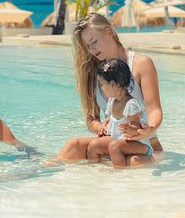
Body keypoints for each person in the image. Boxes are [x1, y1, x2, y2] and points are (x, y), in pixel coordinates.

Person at [57, 12, 164, 164]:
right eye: (87, 46)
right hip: (112, 141)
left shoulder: (141, 64)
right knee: (73, 145)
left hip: (141, 144)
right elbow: (91, 119)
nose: (91, 50)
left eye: (94, 41)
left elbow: (153, 108)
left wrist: (150, 129)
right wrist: (100, 126)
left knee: (133, 161)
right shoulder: (94, 72)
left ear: (109, 33)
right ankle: (37, 173)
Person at [85, 59, 153, 167]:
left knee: (114, 147)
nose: (101, 88)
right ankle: (94, 169)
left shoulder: (131, 104)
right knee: (94, 145)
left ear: (112, 84)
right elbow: (111, 119)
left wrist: (130, 129)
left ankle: (118, 175)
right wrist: (103, 125)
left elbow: (137, 127)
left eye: (102, 84)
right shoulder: (112, 101)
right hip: (118, 140)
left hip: (138, 144)